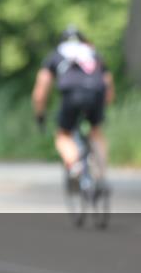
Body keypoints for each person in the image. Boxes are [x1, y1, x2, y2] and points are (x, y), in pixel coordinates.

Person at [32, 25, 115, 186]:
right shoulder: (93, 53)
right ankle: (100, 171)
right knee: (96, 132)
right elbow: (108, 83)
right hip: (97, 93)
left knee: (63, 135)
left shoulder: (56, 54)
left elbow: (41, 89)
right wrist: (104, 106)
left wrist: (40, 114)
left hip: (72, 94)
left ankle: (75, 165)